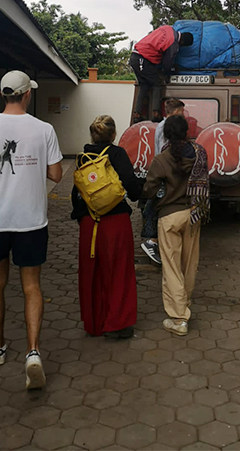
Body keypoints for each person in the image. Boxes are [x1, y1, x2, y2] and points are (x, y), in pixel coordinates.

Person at [0, 70, 63, 390]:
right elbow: (57, 174)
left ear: (4, 95)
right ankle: (33, 352)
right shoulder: (44, 129)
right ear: (26, 94)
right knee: (31, 285)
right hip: (32, 220)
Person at [71, 115, 144, 338]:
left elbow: (76, 194)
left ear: (92, 134)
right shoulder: (117, 154)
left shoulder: (82, 157)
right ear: (113, 135)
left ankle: (94, 323)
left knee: (92, 272)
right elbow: (132, 187)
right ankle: (117, 324)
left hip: (89, 223)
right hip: (115, 222)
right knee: (119, 270)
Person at [143, 114, 209, 336]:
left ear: (167, 134)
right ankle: (185, 303)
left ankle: (179, 318)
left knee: (170, 268)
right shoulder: (200, 153)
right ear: (188, 131)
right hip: (194, 214)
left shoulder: (161, 159)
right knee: (189, 265)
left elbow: (149, 191)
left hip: (170, 217)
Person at [141, 98, 186, 265]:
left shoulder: (163, 126)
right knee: (158, 205)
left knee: (159, 204)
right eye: (181, 112)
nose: (183, 115)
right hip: (165, 172)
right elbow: (163, 149)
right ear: (175, 112)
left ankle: (155, 241)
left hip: (163, 170)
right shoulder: (165, 127)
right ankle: (152, 241)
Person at [130, 25, 193, 121]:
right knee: (157, 85)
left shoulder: (168, 28)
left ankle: (137, 114)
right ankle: (156, 114)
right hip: (142, 58)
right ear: (183, 42)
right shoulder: (173, 44)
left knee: (144, 85)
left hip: (135, 56)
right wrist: (171, 71)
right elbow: (167, 64)